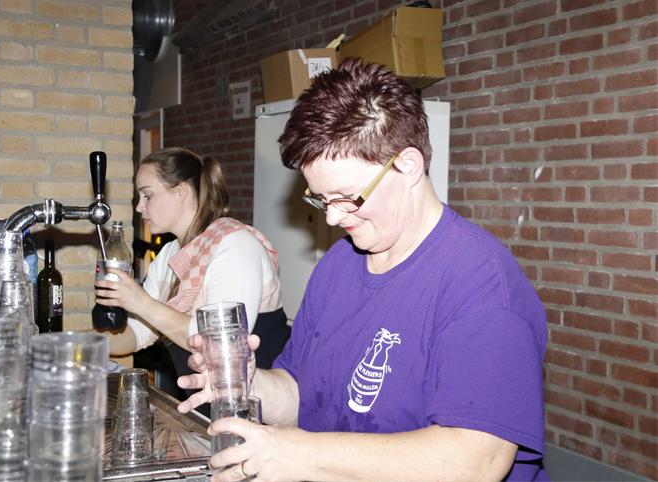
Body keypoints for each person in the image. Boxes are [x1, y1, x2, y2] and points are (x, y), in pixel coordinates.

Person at [176, 58, 549, 482]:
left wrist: (301, 454)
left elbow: (476, 461)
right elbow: (302, 393)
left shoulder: (480, 282)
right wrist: (252, 385)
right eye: (321, 199)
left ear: (408, 166)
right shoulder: (340, 263)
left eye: (347, 197)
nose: (332, 218)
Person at [95, 147, 290, 395]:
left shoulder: (234, 245)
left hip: (255, 406)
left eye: (147, 195)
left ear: (181, 191)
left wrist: (140, 302)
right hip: (204, 403)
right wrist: (71, 343)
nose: (139, 207)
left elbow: (218, 342)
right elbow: (138, 333)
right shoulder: (169, 255)